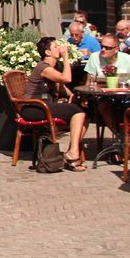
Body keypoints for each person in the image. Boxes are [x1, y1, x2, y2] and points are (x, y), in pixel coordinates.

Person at [24, 37, 89, 171]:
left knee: (85, 116)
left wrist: (71, 95)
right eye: (55, 46)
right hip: (33, 107)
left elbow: (61, 86)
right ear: (47, 53)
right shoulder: (44, 67)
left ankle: (72, 152)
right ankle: (72, 154)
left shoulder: (54, 67)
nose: (59, 48)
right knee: (78, 112)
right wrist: (65, 56)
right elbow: (66, 79)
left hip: (45, 105)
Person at [84, 33, 130, 136]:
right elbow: (89, 82)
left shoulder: (127, 59)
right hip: (103, 96)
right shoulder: (94, 57)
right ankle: (120, 137)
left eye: (107, 47)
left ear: (116, 49)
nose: (103, 49)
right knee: (104, 106)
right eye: (102, 46)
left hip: (126, 95)